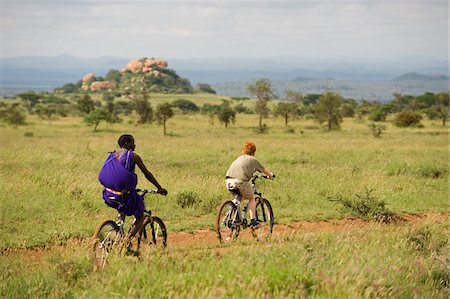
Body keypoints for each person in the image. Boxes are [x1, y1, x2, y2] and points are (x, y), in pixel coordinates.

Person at [98, 134, 168, 239]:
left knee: (122, 212)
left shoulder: (111, 156)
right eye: (132, 142)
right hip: (124, 196)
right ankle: (127, 240)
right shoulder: (133, 156)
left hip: (108, 194)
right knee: (140, 216)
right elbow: (146, 173)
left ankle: (118, 234)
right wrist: (159, 187)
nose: (134, 145)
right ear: (126, 144)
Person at [225, 142, 273, 229]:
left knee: (239, 198)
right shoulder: (253, 160)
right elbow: (264, 170)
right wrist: (270, 175)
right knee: (251, 198)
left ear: (243, 150)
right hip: (240, 182)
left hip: (229, 181)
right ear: (254, 152)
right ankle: (253, 221)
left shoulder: (239, 158)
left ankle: (232, 215)